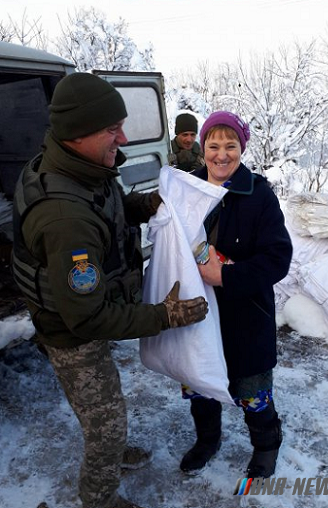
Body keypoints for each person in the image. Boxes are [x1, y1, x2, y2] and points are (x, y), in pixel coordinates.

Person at [12, 73, 208, 508]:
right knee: (107, 421)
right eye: (110, 129)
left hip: (81, 311)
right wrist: (165, 316)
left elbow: (111, 209)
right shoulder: (65, 219)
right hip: (71, 332)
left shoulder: (80, 167)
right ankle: (99, 496)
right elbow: (89, 317)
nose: (123, 137)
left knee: (105, 403)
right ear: (77, 134)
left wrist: (148, 204)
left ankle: (111, 451)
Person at [179, 111, 293, 479]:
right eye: (213, 145)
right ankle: (207, 440)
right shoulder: (187, 189)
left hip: (245, 316)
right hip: (198, 314)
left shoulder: (258, 195)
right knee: (200, 385)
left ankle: (266, 445)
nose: (222, 155)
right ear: (202, 148)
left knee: (252, 393)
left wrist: (225, 275)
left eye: (231, 146)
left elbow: (278, 259)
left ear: (242, 148)